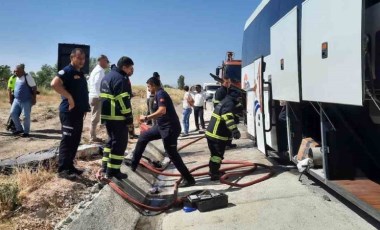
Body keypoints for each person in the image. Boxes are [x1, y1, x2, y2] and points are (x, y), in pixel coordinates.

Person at [131, 76, 196, 187]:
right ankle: (133, 164)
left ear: (153, 85)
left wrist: (146, 118)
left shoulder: (161, 93)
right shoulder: (157, 94)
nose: (148, 89)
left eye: (148, 86)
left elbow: (162, 110)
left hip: (170, 129)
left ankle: (189, 179)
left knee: (172, 154)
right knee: (143, 137)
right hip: (161, 127)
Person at [51, 48, 90, 179]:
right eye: (79, 58)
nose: (81, 61)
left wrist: (84, 108)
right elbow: (54, 84)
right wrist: (69, 97)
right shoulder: (67, 71)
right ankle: (62, 170)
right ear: (72, 58)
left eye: (83, 58)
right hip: (68, 112)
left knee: (75, 140)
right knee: (67, 140)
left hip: (78, 113)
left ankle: (70, 166)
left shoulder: (81, 73)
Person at [100, 56, 134, 180]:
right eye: (130, 68)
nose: (131, 70)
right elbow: (122, 100)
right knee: (119, 144)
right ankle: (113, 171)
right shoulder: (121, 78)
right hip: (117, 116)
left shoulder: (108, 76)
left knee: (110, 141)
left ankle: (104, 167)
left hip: (107, 115)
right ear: (124, 67)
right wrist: (129, 117)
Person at [206, 92, 242, 181]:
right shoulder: (230, 103)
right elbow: (227, 117)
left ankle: (214, 171)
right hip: (217, 135)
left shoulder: (225, 100)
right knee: (217, 156)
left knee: (215, 155)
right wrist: (234, 130)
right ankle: (214, 174)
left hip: (213, 134)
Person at [10, 64, 37, 137]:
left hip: (26, 100)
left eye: (17, 71)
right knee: (13, 113)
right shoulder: (16, 78)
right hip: (16, 100)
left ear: (22, 71)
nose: (15, 73)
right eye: (15, 71)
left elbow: (34, 88)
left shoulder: (28, 77)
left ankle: (26, 132)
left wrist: (34, 99)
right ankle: (19, 129)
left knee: (25, 116)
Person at [88, 54, 109, 143]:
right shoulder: (99, 71)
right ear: (102, 61)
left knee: (95, 117)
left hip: (93, 95)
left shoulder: (95, 70)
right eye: (107, 62)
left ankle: (93, 136)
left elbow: (89, 82)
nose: (107, 64)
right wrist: (99, 95)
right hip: (96, 97)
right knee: (95, 118)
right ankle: (92, 137)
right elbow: (97, 84)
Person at [213, 76, 237, 148]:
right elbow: (217, 103)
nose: (228, 83)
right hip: (222, 114)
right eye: (227, 82)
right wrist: (221, 113)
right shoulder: (220, 91)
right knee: (223, 130)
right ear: (223, 82)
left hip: (229, 112)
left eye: (229, 82)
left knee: (229, 129)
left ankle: (228, 143)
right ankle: (222, 144)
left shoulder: (228, 90)